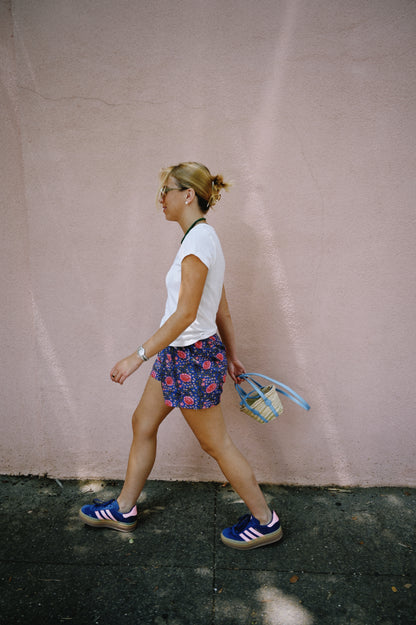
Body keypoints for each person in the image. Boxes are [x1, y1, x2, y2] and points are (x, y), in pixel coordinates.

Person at [79, 161, 282, 550]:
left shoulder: (199, 242)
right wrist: (233, 356)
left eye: (166, 191)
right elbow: (219, 308)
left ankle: (265, 520)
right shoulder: (201, 239)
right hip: (180, 354)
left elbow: (187, 313)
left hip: (190, 356)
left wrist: (136, 356)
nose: (161, 199)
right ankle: (124, 508)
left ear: (188, 195)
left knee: (215, 444)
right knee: (143, 422)